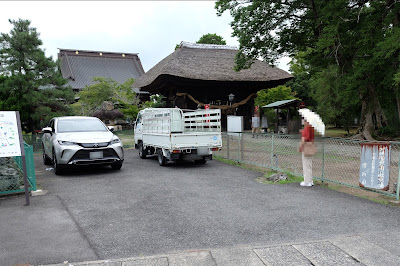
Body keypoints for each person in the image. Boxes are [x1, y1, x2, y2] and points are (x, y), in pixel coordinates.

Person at [298, 119, 315, 187]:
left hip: (306, 146)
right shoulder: (312, 127)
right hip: (311, 145)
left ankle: (306, 181)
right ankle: (310, 180)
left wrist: (300, 147)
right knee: (309, 164)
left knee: (305, 164)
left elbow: (304, 139)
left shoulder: (306, 128)